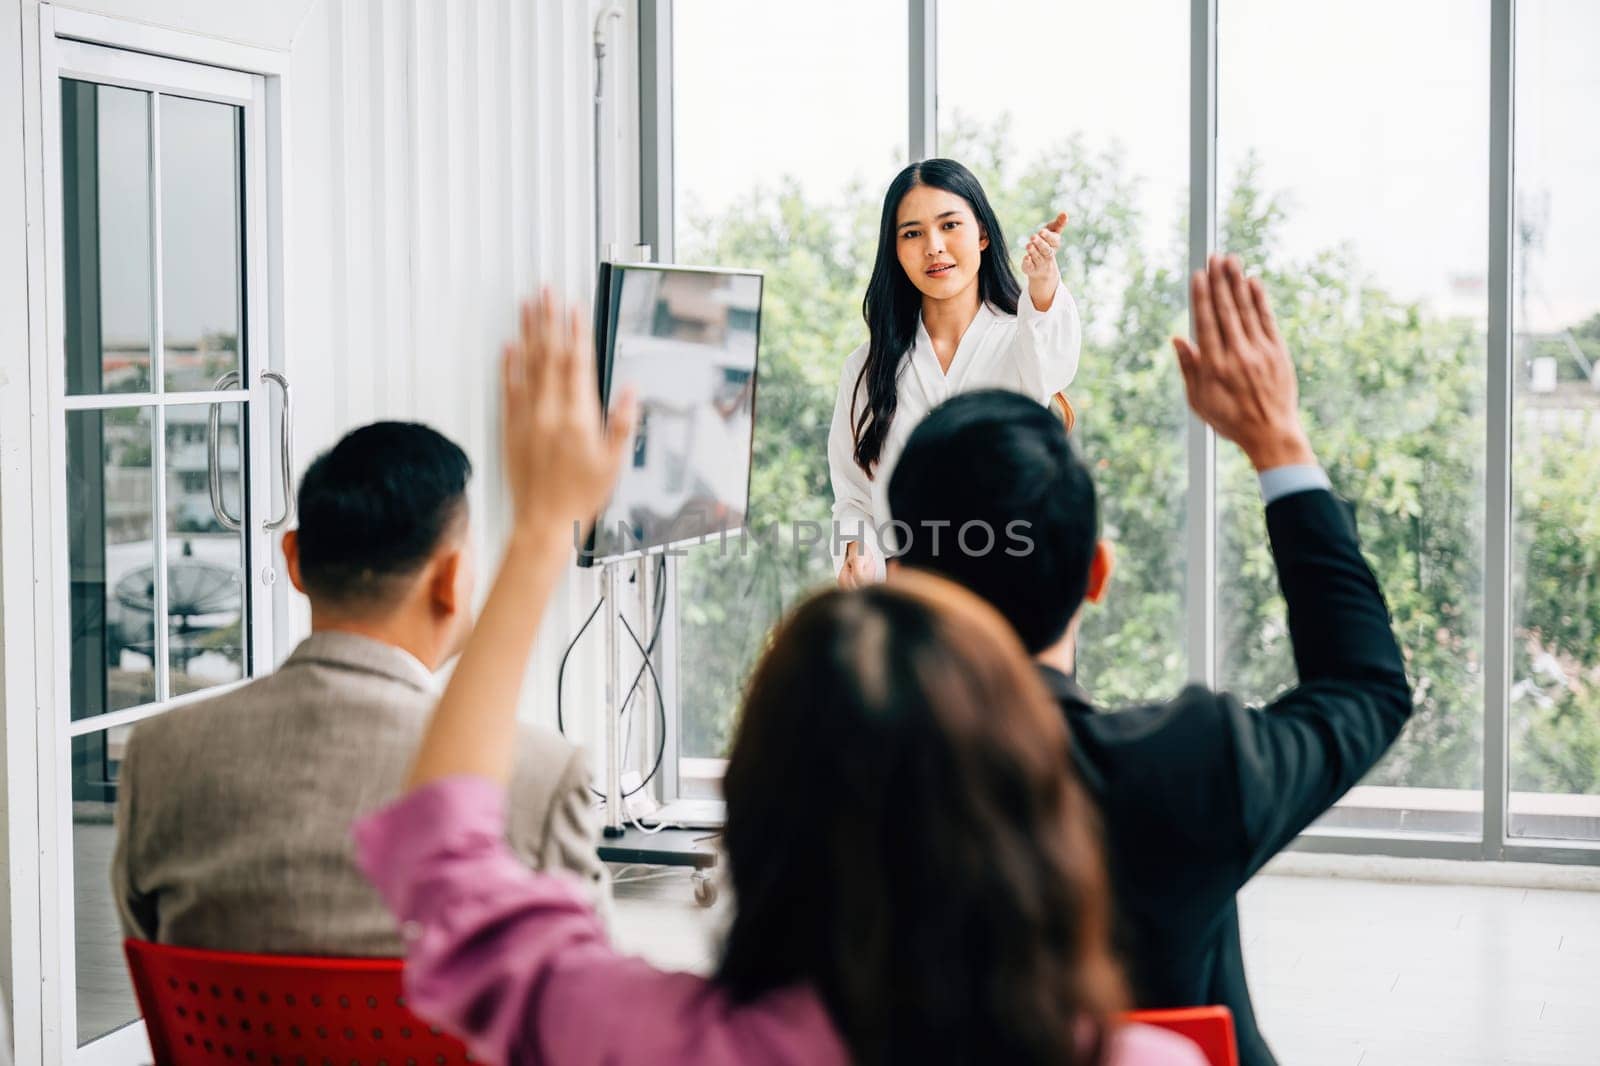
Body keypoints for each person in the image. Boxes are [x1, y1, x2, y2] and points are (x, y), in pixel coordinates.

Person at [353, 293, 1205, 1066]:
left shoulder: (642, 1038)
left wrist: (542, 526)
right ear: (1037, 818)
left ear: (755, 807)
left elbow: (445, 860)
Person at [884, 254, 1415, 1066]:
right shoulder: (1187, 769)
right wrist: (1279, 444)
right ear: (1096, 573)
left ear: (905, 578)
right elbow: (1366, 688)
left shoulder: (837, 786)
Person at [112, 421, 608, 955]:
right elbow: (591, 1006)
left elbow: (148, 944)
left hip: (236, 1042)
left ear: (294, 561)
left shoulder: (159, 754)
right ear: (450, 579)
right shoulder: (540, 776)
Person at [830, 157, 1082, 588]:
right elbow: (853, 498)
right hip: (909, 604)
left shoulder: (1021, 341)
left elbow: (1054, 364)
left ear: (982, 233)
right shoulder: (867, 368)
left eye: (949, 225)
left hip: (1012, 594)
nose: (934, 246)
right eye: (912, 233)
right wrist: (858, 551)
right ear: (895, 250)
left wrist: (1042, 286)